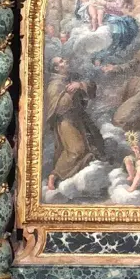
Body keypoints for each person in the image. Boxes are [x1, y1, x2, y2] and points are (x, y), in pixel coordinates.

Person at [44, 57, 105, 190]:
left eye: (64, 60)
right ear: (56, 68)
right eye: (61, 61)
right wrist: (70, 94)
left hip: (79, 119)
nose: (65, 61)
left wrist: (80, 85)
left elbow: (91, 86)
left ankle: (82, 180)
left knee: (94, 143)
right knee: (76, 150)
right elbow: (59, 108)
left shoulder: (71, 77)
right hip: (66, 121)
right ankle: (54, 176)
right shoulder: (54, 85)